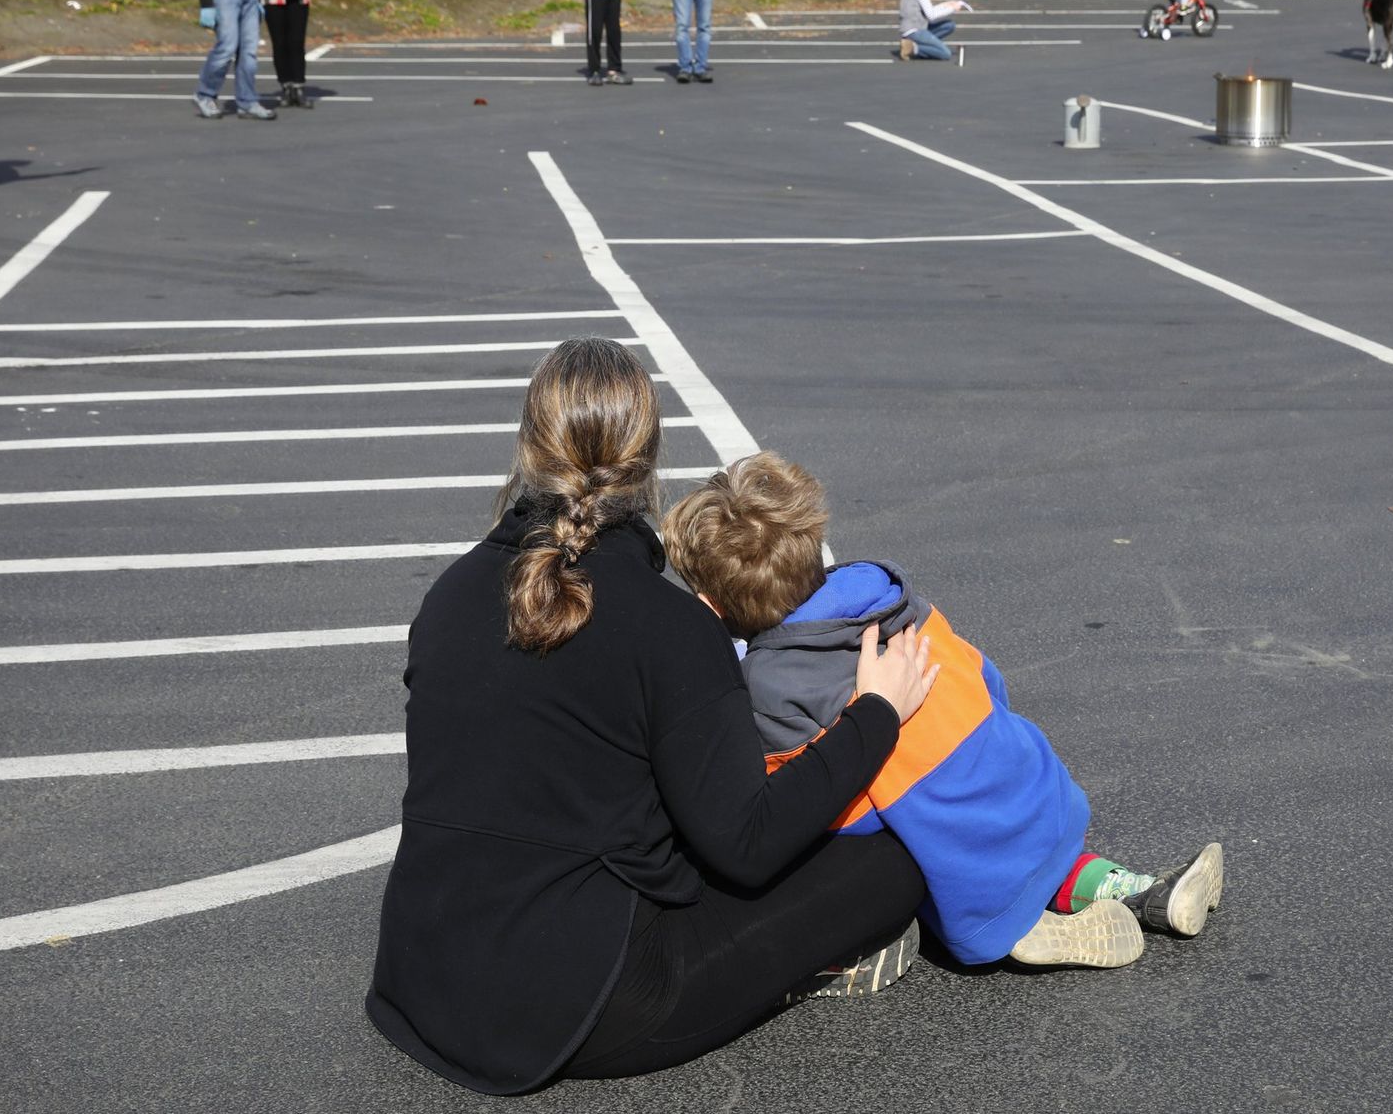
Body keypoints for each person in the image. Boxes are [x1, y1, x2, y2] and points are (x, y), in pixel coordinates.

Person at [366, 338, 940, 1095]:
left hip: (423, 978)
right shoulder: (669, 625)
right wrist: (874, 714)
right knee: (894, 859)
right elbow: (749, 844)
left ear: (529, 446)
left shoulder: (447, 598)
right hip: (579, 1003)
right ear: (647, 462)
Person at [663, 451, 1226, 971]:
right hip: (1033, 789)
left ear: (710, 605)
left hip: (970, 865)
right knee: (1044, 856)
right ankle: (1138, 889)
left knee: (875, 832)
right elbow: (988, 679)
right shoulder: (890, 601)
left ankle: (1023, 932)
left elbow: (797, 798)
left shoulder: (774, 681)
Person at [896, 0, 971, 62]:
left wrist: (946, 4)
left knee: (949, 25)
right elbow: (931, 15)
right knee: (945, 53)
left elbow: (927, 9)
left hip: (911, 28)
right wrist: (952, 9)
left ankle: (913, 44)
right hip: (915, 30)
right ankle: (913, 48)